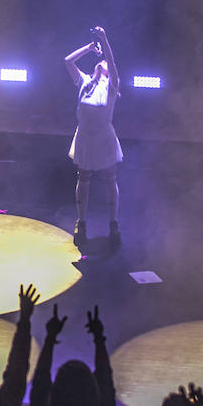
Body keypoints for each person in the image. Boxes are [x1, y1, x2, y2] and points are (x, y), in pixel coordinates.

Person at [64, 26, 123, 249]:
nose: (103, 63)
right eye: (101, 62)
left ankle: (114, 224)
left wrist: (105, 38)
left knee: (110, 180)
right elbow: (68, 61)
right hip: (86, 137)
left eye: (106, 64)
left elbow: (112, 61)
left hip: (104, 137)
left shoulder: (111, 85)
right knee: (84, 178)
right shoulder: (84, 81)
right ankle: (82, 223)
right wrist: (89, 48)